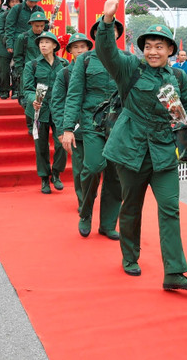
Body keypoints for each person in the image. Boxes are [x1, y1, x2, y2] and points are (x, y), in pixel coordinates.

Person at [96, 0, 187, 289]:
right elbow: (106, 53)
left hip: (164, 151)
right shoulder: (129, 69)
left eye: (160, 46)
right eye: (149, 46)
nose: (153, 51)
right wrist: (107, 19)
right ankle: (130, 256)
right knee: (131, 207)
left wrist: (186, 121)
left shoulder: (178, 77)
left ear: (170, 49)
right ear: (142, 49)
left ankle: (174, 272)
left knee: (170, 207)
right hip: (131, 149)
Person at [61, 17, 123, 240]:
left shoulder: (125, 59)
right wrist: (67, 128)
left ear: (117, 34)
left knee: (116, 176)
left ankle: (107, 224)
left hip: (118, 126)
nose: (107, 33)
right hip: (91, 123)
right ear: (96, 34)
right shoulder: (84, 60)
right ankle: (86, 212)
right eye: (102, 30)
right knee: (94, 167)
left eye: (112, 29)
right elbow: (74, 94)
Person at [50, 32, 93, 209]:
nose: (80, 50)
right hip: (75, 127)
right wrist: (61, 130)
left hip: (97, 126)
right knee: (80, 168)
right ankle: (83, 202)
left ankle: (95, 195)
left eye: (83, 46)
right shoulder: (64, 74)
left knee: (96, 167)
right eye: (75, 47)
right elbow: (57, 103)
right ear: (70, 51)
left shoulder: (97, 68)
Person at [23, 31, 67, 194]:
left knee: (62, 143)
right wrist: (31, 99)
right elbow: (27, 88)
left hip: (58, 110)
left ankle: (56, 173)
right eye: (41, 42)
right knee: (40, 146)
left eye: (47, 42)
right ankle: (44, 178)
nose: (43, 45)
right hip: (38, 111)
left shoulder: (64, 64)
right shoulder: (32, 65)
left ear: (55, 45)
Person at [13, 10, 50, 118]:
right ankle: (31, 125)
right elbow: (17, 56)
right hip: (27, 72)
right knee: (27, 99)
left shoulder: (47, 38)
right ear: (31, 24)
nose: (39, 28)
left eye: (42, 26)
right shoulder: (23, 38)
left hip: (43, 72)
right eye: (37, 26)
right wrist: (21, 72)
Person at [0, 0, 21, 99]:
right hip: (3, 47)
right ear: (8, 4)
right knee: (3, 71)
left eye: (17, 1)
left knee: (17, 69)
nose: (14, 3)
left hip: (19, 46)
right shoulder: (3, 15)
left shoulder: (22, 16)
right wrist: (8, 41)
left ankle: (16, 90)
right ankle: (4, 90)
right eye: (12, 1)